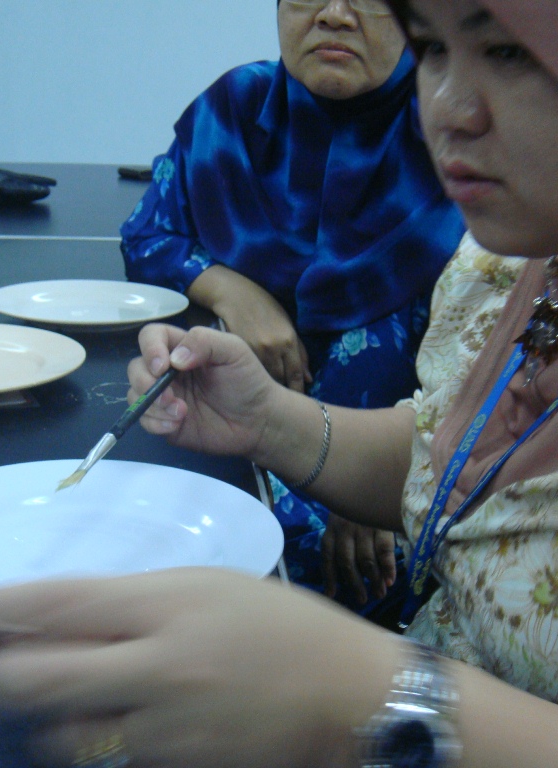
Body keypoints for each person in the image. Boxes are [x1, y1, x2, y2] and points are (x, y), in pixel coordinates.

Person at [0, 1, 558, 766]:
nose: (449, 111)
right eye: (434, 46)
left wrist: (366, 697)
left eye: (508, 51)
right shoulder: (535, 247)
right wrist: (272, 420)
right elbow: (463, 460)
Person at [121, 0, 465, 612]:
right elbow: (147, 234)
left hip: (399, 501)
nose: (335, 14)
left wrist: (375, 484)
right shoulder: (235, 110)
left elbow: (491, 365)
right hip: (235, 456)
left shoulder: (458, 136)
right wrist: (232, 290)